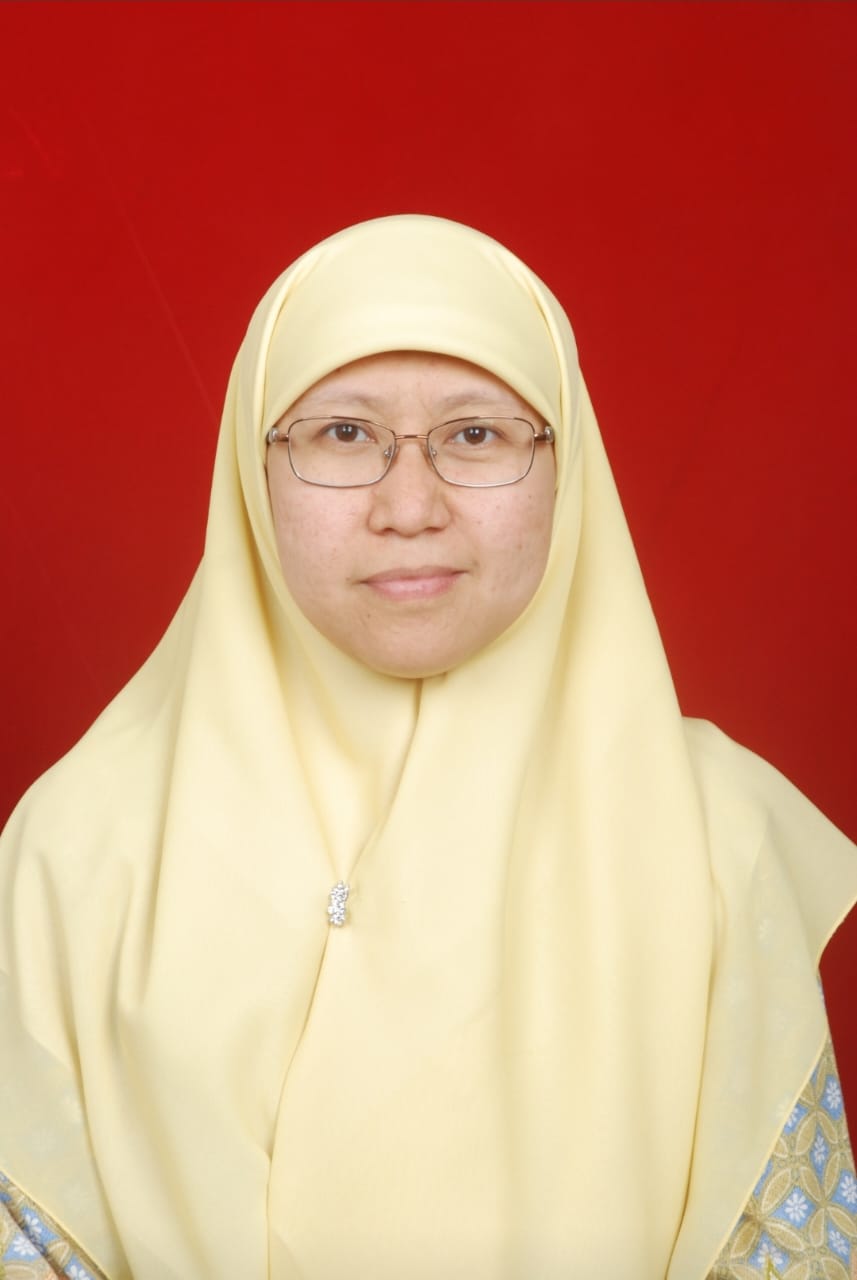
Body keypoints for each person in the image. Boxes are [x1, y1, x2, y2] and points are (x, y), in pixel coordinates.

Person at [1, 215, 855, 1280]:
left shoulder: (713, 833)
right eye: (341, 433)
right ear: (253, 472)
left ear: (565, 465)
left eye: (477, 435)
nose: (409, 507)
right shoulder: (78, 846)